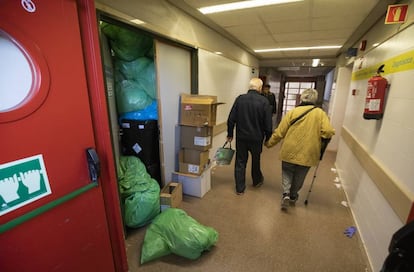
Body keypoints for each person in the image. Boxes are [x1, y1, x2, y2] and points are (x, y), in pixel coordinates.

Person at [264, 88, 335, 210]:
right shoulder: (320, 113)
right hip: (308, 151)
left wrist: (269, 143)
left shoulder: (292, 112)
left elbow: (280, 132)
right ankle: (293, 195)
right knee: (300, 175)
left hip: (289, 149)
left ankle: (285, 192)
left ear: (301, 98)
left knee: (287, 171)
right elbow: (328, 131)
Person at [227, 78, 273, 195]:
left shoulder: (240, 99)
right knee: (256, 160)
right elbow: (268, 124)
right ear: (260, 88)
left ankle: (239, 188)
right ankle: (257, 181)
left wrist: (230, 134)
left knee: (240, 162)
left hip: (241, 138)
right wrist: (268, 138)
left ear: (250, 87)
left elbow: (231, 119)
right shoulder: (264, 101)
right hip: (256, 138)